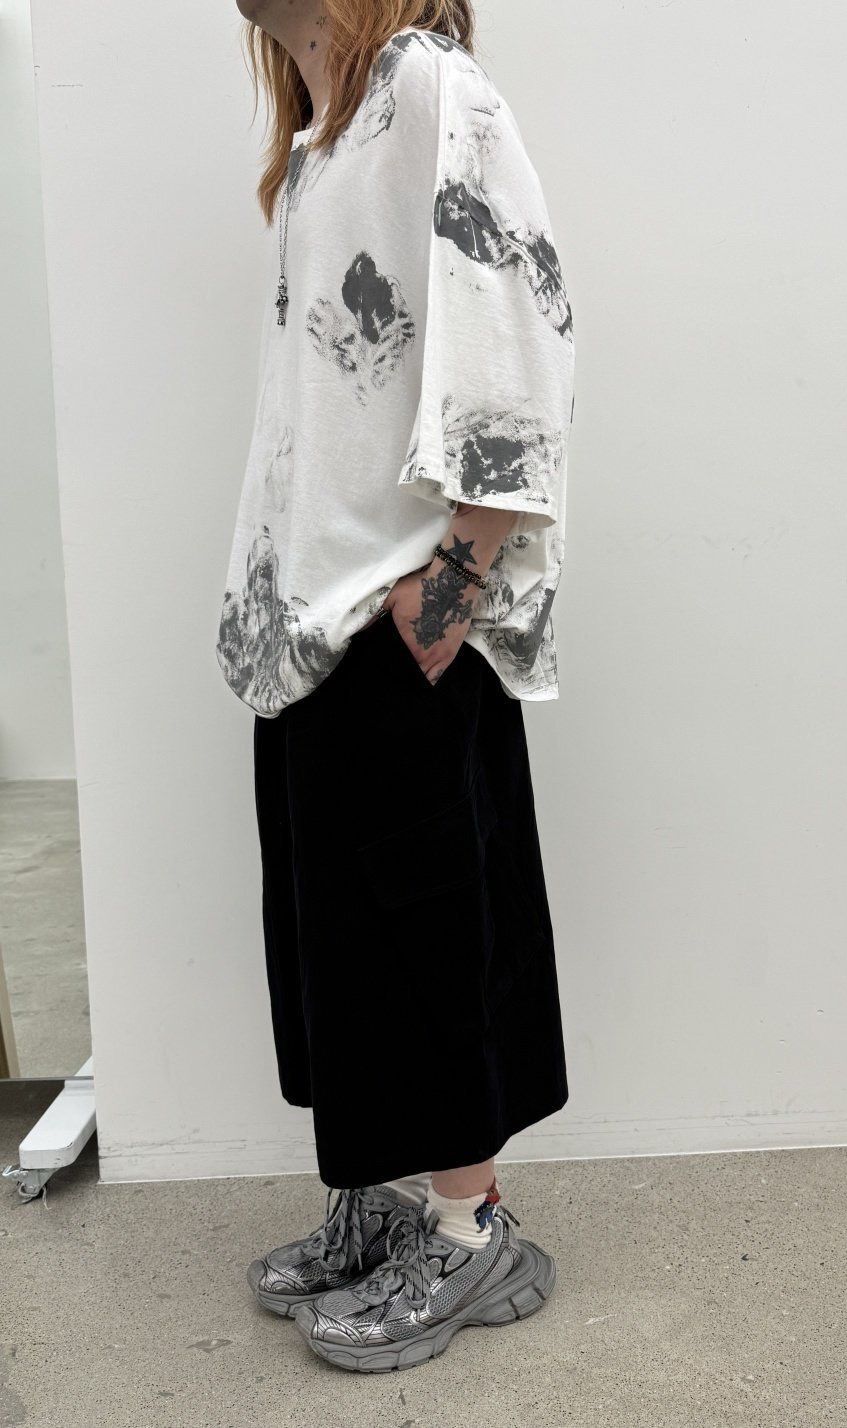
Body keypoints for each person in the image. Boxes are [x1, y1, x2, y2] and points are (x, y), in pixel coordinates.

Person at [215, 0, 576, 1372]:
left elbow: (523, 314)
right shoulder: (324, 140)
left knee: (427, 932)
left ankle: (472, 1231)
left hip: (397, 607)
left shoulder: (429, 89)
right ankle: (374, 1200)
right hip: (307, 613)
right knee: (339, 939)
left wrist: (457, 579)